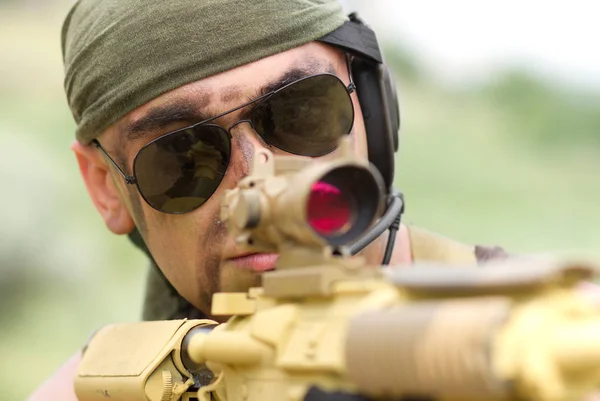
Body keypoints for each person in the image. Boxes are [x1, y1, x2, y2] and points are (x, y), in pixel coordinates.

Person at [28, 0, 514, 399]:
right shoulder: (105, 384)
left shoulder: (534, 342)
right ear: (105, 188)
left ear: (372, 109)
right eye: (182, 155)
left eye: (300, 114)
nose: (256, 176)